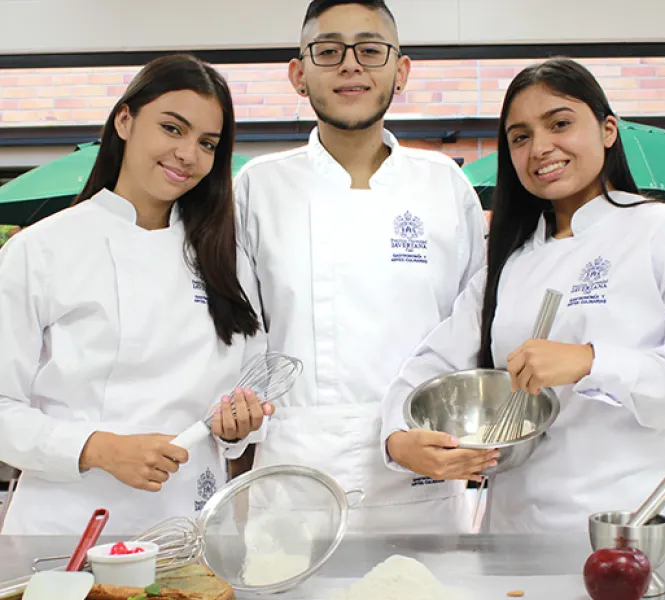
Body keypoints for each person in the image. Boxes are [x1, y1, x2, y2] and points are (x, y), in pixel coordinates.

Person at [381, 57, 665, 533]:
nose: (540, 148)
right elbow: (433, 363)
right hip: (513, 535)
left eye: (560, 124)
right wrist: (398, 440)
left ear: (608, 129)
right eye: (521, 136)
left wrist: (591, 361)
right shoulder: (509, 260)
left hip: (630, 528)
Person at [230, 0, 492, 535]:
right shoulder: (260, 186)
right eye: (328, 51)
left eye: (371, 50)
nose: (351, 65)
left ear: (401, 71)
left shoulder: (442, 184)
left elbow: (475, 328)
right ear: (298, 74)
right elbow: (235, 337)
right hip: (296, 478)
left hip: (422, 472)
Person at [0, 54, 272, 535]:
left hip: (192, 525)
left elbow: (249, 386)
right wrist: (100, 448)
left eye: (207, 143)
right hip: (66, 527)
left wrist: (239, 427)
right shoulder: (39, 249)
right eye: (172, 128)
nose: (188, 154)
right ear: (125, 119)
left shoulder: (225, 260)